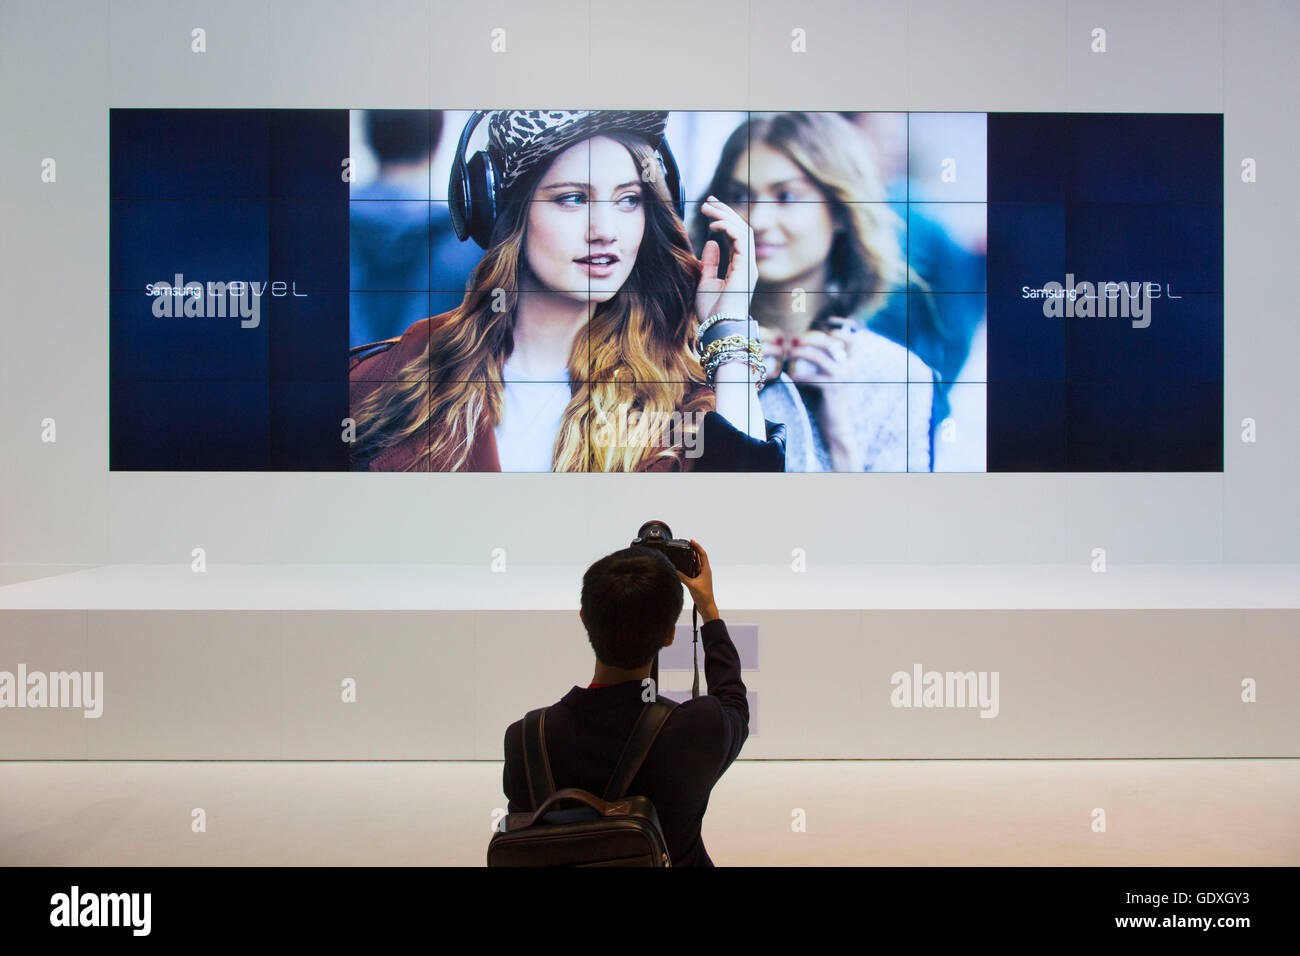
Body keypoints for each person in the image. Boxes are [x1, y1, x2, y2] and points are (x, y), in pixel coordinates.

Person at [348, 110, 788, 472]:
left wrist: (728, 336)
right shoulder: (390, 379)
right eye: (573, 199)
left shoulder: (685, 401)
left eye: (628, 200)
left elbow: (740, 530)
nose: (605, 231)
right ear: (502, 214)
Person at [691, 112, 943, 471]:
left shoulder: (897, 377)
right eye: (740, 195)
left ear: (841, 211)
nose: (757, 220)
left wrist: (841, 437)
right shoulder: (676, 353)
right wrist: (728, 360)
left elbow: (896, 526)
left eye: (787, 196)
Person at [502, 539, 748, 866]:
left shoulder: (525, 740)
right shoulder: (695, 729)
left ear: (585, 618)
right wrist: (708, 610)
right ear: (669, 636)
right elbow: (734, 704)